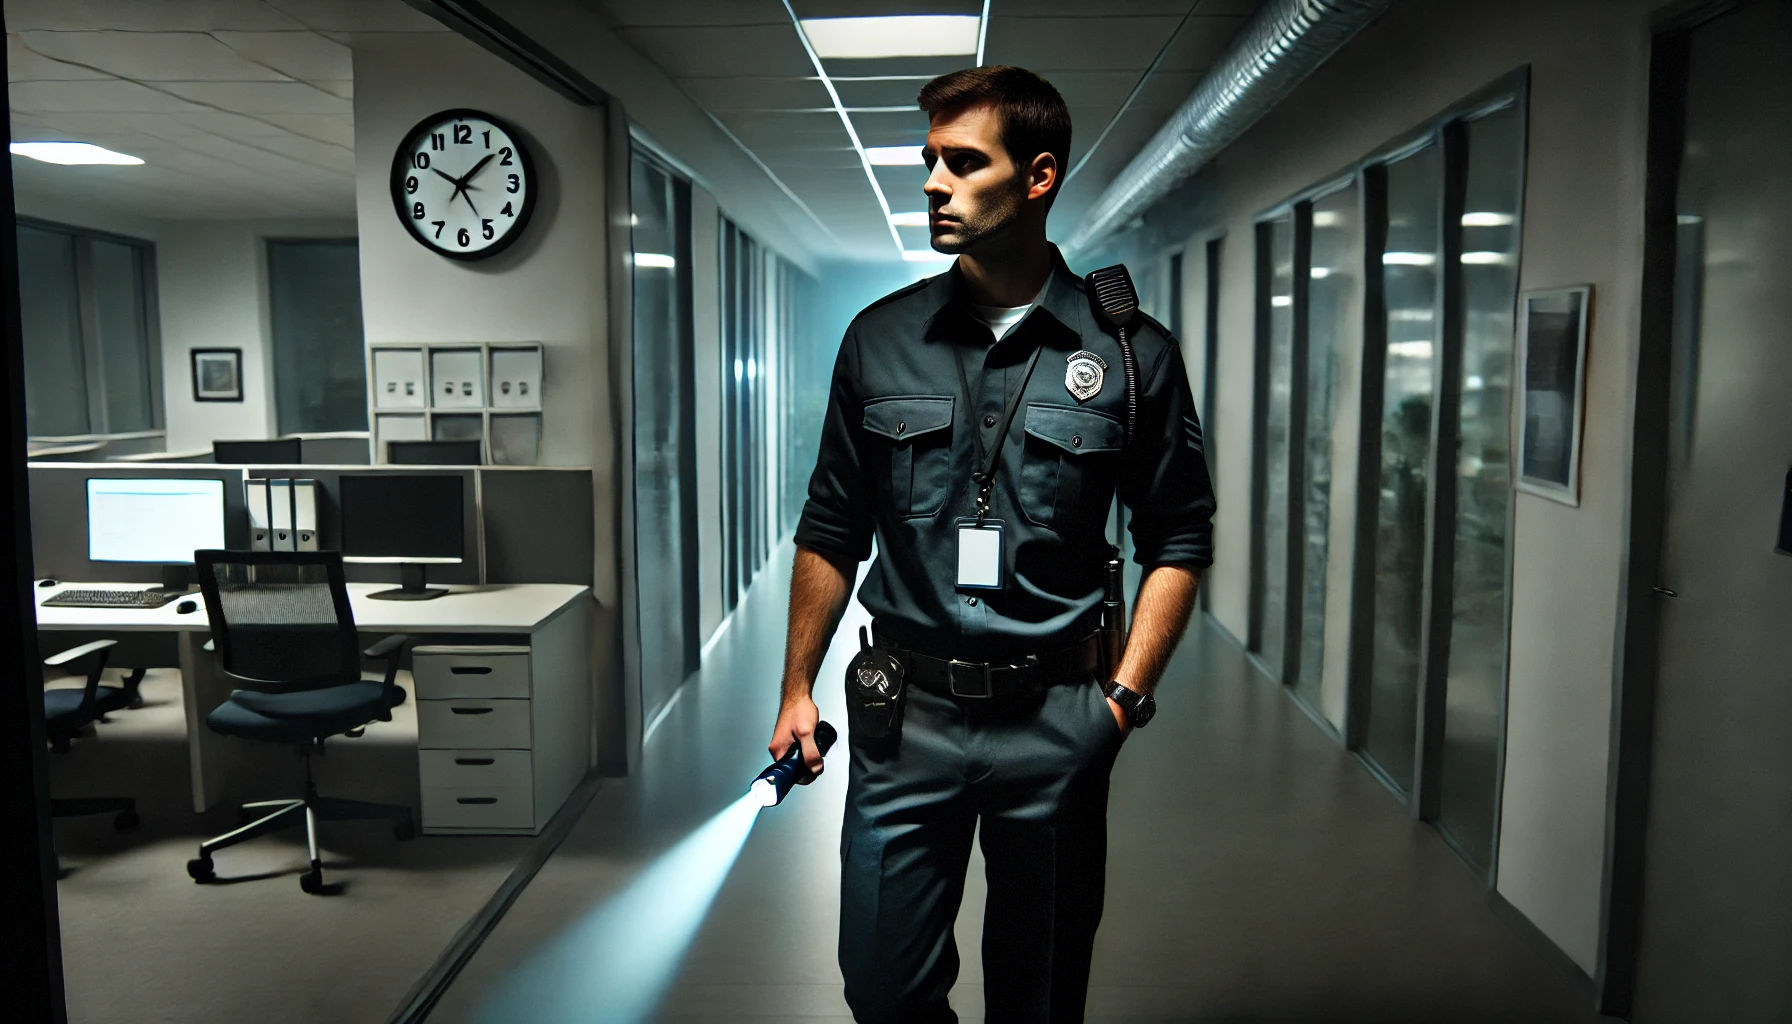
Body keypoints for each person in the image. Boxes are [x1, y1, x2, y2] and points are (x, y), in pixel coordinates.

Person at [766, 65, 1217, 1023]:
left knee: (1040, 994)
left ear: (1039, 176)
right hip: (904, 720)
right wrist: (797, 686)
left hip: (1056, 719)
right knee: (883, 989)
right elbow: (833, 523)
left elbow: (1178, 536)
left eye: (963, 162)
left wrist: (1123, 702)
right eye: (930, 160)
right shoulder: (879, 340)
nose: (932, 181)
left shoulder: (1132, 356)